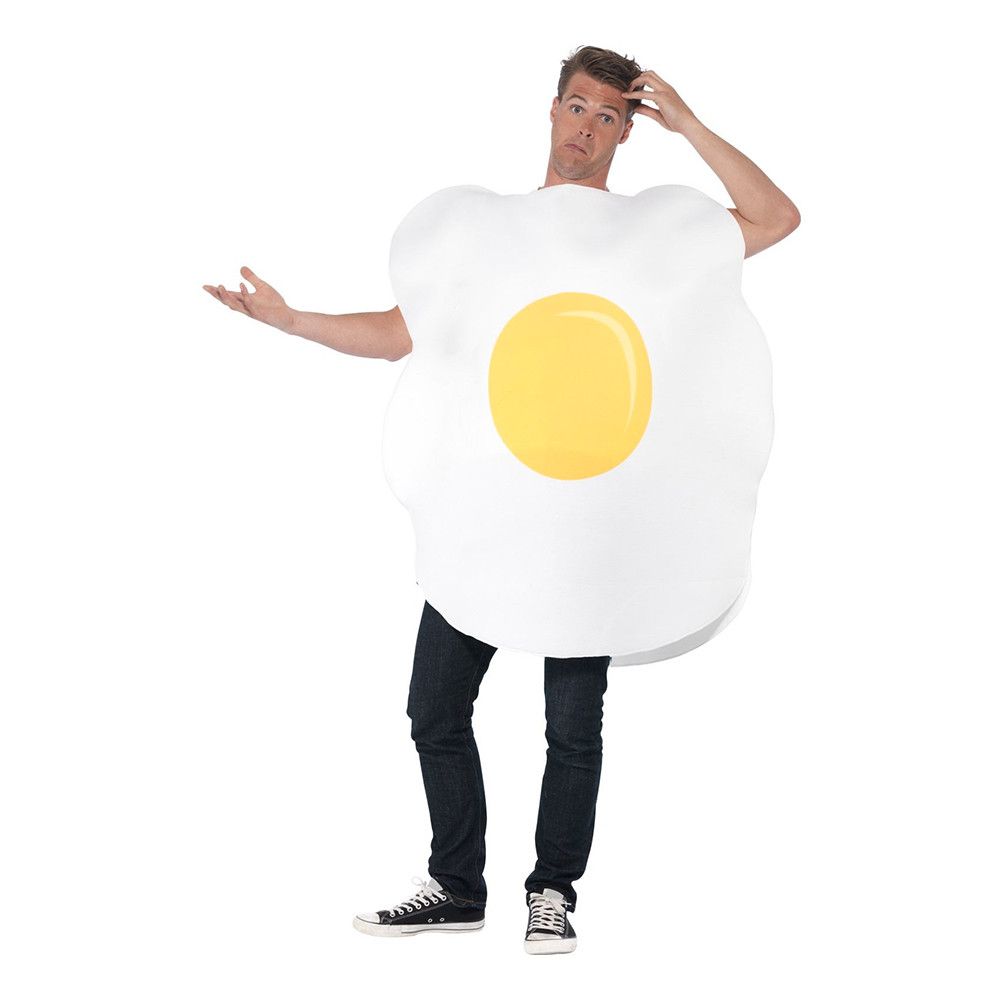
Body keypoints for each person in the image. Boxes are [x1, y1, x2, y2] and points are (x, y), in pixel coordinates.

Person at [203, 44, 800, 955]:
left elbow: (775, 217)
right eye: (578, 106)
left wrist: (689, 125)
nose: (587, 128)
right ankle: (456, 886)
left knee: (573, 727)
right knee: (434, 712)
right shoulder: (488, 237)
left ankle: (552, 891)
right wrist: (291, 320)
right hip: (488, 512)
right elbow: (399, 333)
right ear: (552, 109)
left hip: (598, 525)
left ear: (628, 132)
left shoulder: (655, 236)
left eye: (610, 116)